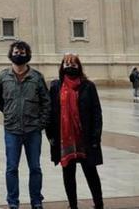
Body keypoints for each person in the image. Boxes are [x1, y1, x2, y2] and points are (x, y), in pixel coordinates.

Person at [0, 40, 51, 209]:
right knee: (11, 168)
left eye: (22, 52)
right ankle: (12, 202)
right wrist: (9, 112)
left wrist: (41, 123)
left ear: (28, 55)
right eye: (16, 52)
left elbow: (46, 102)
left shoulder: (37, 77)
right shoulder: (3, 76)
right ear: (11, 54)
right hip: (12, 130)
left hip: (33, 130)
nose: (19, 55)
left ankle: (36, 201)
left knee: (35, 168)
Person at [47, 54, 104, 209]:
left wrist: (95, 136)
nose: (69, 66)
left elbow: (97, 112)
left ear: (79, 66)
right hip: (65, 138)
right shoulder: (56, 87)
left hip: (84, 138)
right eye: (66, 63)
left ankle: (98, 204)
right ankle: (72, 205)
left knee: (91, 172)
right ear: (61, 67)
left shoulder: (88, 86)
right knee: (68, 174)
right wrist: (50, 135)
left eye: (73, 64)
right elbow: (51, 113)